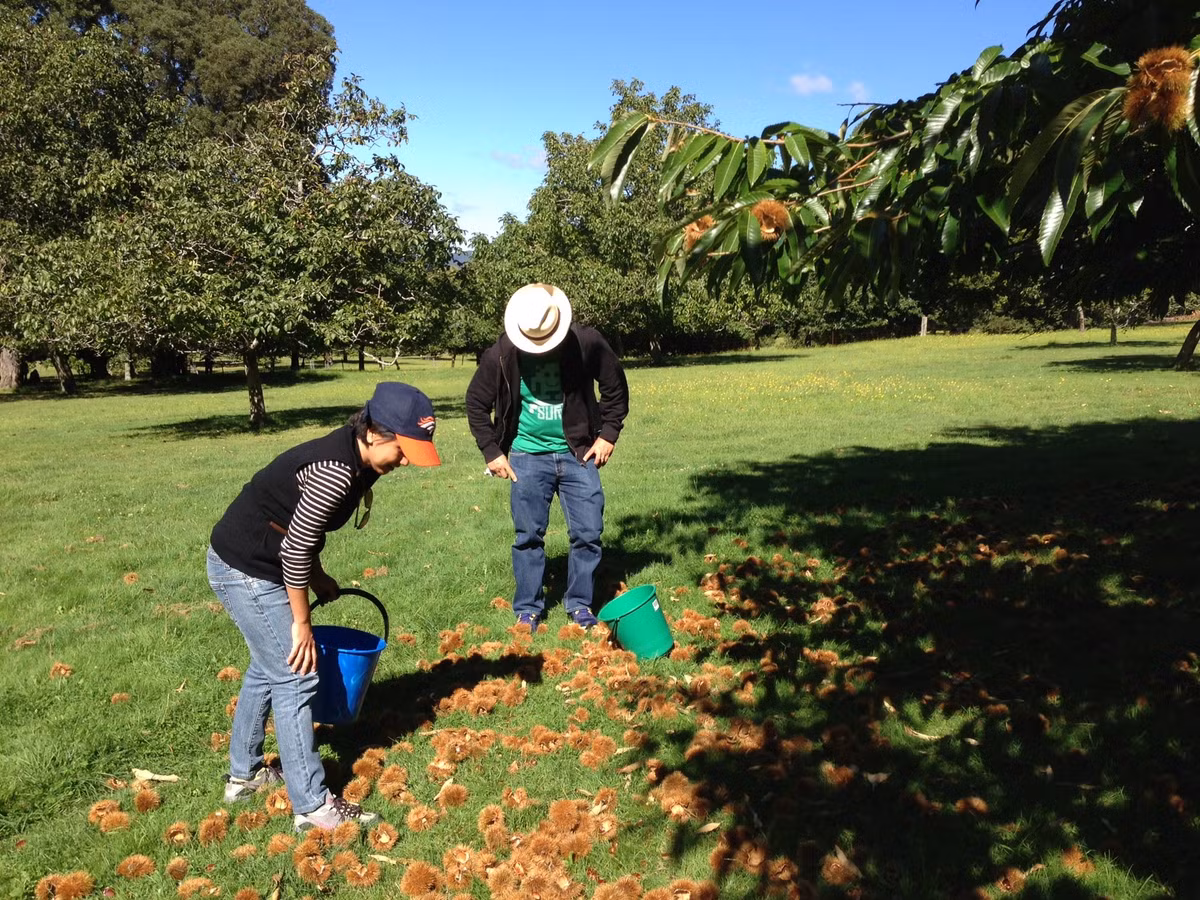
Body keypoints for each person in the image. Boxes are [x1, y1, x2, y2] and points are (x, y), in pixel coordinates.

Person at [206, 382, 440, 831]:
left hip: (262, 557)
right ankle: (313, 809)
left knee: (269, 664)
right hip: (245, 566)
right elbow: (294, 550)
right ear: (373, 432)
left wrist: (318, 578)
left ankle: (244, 776)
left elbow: (298, 532)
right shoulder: (336, 471)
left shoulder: (360, 460)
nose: (407, 460)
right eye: (404, 448)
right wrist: (301, 622)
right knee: (297, 672)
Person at [466, 283, 629, 630]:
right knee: (528, 537)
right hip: (525, 455)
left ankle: (580, 604)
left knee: (588, 532)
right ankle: (528, 609)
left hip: (579, 453)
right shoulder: (502, 352)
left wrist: (608, 435)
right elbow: (476, 403)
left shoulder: (585, 342)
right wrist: (492, 452)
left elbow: (615, 387)